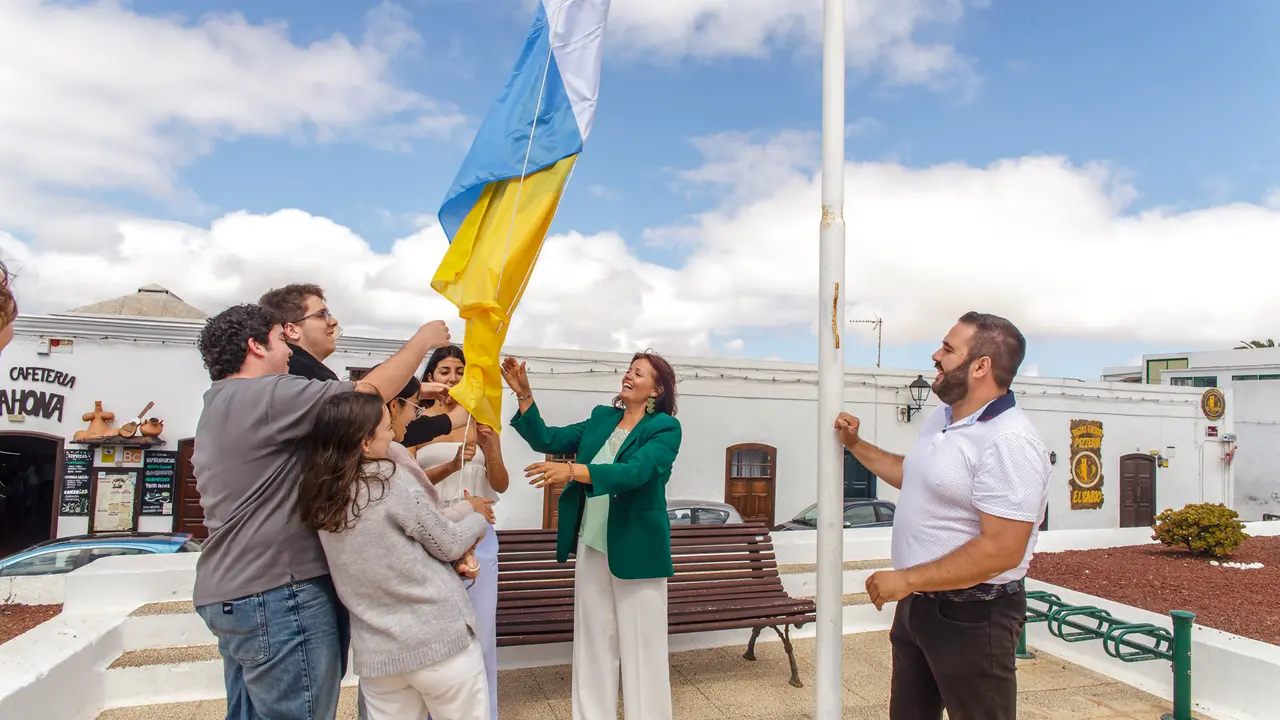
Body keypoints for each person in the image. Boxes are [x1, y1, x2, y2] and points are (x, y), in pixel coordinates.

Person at [191, 302, 452, 720]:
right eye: (280, 339)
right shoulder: (267, 394)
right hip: (278, 592)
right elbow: (364, 398)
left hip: (232, 590)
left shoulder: (219, 402)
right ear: (255, 345)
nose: (289, 352)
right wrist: (422, 341)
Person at [834, 311, 1051, 720]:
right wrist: (855, 445)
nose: (936, 355)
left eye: (949, 349)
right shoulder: (943, 419)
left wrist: (906, 579)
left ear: (981, 366)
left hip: (974, 616)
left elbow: (1001, 550)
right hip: (919, 609)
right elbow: (915, 475)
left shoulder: (1010, 442)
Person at [502, 351, 682, 720]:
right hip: (592, 543)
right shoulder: (603, 418)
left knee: (642, 648)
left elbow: (635, 473)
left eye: (639, 373)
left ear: (657, 388)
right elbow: (547, 438)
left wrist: (573, 471)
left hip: (636, 549)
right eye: (628, 370)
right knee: (593, 643)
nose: (628, 376)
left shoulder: (664, 428)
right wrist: (524, 395)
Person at [298, 391, 491, 720]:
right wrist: (477, 519)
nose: (393, 434)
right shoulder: (388, 480)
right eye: (386, 428)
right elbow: (446, 541)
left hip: (379, 656)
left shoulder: (320, 493)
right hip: (437, 642)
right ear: (364, 441)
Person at [414, 346, 508, 720]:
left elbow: (499, 482)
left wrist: (491, 449)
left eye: (459, 372)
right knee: (431, 639)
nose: (451, 379)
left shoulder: (482, 419)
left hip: (478, 540)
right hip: (427, 538)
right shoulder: (415, 422)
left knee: (480, 634)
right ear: (430, 377)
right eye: (444, 371)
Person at [262, 282, 469, 442]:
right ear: (291, 329)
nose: (333, 322)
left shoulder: (303, 374)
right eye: (321, 315)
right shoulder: (295, 369)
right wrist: (422, 341)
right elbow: (362, 406)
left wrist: (417, 391)